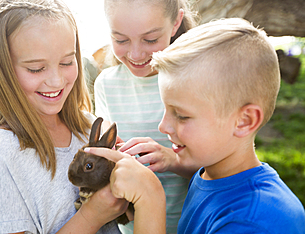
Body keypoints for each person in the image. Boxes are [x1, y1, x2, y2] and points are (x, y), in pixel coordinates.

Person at [86, 18, 305, 233]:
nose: (163, 126)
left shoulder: (255, 221)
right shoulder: (206, 175)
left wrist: (149, 199)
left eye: (181, 116)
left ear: (244, 121)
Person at [0, 0, 127, 233]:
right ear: (1, 69)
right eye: (36, 68)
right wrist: (91, 216)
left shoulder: (87, 126)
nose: (56, 81)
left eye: (66, 62)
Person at [93, 0, 199, 232]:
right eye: (120, 40)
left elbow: (221, 165)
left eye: (150, 39)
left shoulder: (195, 79)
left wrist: (173, 160)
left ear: (175, 24)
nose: (136, 54)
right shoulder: (107, 84)